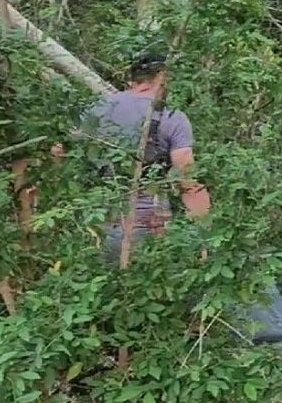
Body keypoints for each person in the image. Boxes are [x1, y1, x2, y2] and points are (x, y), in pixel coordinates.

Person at [76, 54, 211, 260]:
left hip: (99, 221)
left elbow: (70, 157)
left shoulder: (96, 110)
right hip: (151, 224)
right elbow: (188, 181)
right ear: (162, 77)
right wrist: (205, 237)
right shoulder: (171, 116)